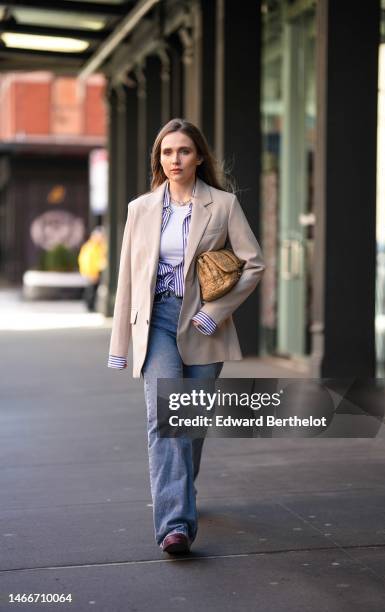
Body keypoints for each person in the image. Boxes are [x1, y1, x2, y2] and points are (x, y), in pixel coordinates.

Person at [107, 118, 265, 555]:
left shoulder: (224, 204)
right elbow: (127, 278)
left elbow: (253, 264)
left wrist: (216, 313)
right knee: (166, 417)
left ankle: (181, 487)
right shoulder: (140, 209)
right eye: (166, 152)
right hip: (155, 321)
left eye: (183, 151)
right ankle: (174, 524)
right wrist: (119, 345)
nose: (174, 160)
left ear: (198, 157)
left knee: (190, 421)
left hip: (201, 324)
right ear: (158, 159)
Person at [78, 226, 107, 312]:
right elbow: (87, 261)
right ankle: (89, 307)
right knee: (91, 291)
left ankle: (91, 306)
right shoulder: (91, 247)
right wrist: (90, 273)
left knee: (92, 291)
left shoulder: (97, 246)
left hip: (94, 272)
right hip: (91, 273)